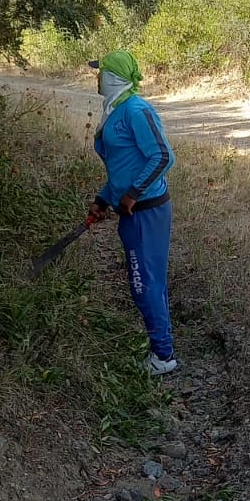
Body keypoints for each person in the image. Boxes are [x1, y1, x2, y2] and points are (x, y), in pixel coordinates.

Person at [87, 49, 177, 376]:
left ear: (113, 77)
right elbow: (124, 167)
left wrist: (133, 194)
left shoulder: (136, 110)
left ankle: (163, 356)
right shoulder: (116, 110)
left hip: (146, 212)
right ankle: (162, 348)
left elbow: (163, 156)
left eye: (100, 72)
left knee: (144, 284)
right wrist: (104, 198)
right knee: (149, 282)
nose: (96, 77)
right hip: (133, 212)